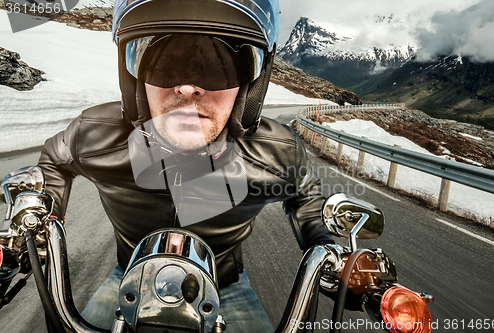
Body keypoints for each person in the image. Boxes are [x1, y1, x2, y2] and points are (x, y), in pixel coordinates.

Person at [37, 0, 335, 331]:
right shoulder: (92, 134)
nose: (189, 87)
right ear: (136, 82)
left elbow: (306, 192)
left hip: (226, 286)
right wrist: (39, 220)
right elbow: (54, 158)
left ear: (247, 89)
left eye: (215, 70)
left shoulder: (278, 152)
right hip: (129, 277)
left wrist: (326, 246)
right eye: (167, 67)